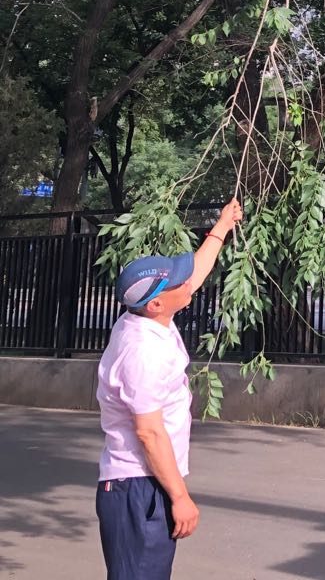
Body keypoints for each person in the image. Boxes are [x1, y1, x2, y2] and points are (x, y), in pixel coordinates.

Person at [95, 198, 242, 580]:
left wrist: (222, 226)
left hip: (146, 483)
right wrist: (179, 497)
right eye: (177, 281)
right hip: (137, 488)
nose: (187, 282)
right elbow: (149, 432)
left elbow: (195, 274)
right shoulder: (142, 351)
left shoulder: (151, 317)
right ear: (157, 303)